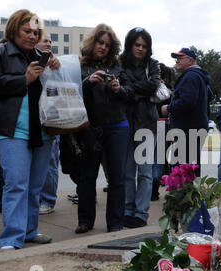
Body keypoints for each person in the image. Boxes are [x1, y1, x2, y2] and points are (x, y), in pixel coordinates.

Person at [0, 9, 61, 252]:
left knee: (35, 186)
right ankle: (11, 238)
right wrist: (23, 79)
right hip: (11, 129)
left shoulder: (42, 55)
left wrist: (56, 68)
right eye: (27, 31)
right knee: (16, 184)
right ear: (14, 29)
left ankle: (29, 230)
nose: (32, 36)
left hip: (42, 131)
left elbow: (55, 88)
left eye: (36, 32)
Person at [75, 23, 133, 234]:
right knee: (87, 176)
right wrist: (88, 81)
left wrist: (118, 88)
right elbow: (71, 94)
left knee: (117, 177)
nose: (103, 47)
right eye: (100, 42)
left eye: (107, 45)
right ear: (93, 42)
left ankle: (115, 223)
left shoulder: (118, 67)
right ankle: (85, 221)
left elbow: (130, 94)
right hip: (90, 126)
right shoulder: (80, 66)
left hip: (117, 125)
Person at [121, 27, 161, 228]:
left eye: (144, 46)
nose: (140, 49)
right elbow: (122, 90)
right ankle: (128, 210)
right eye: (137, 45)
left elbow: (153, 86)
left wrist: (131, 89)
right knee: (128, 172)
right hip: (126, 122)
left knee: (145, 172)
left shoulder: (152, 64)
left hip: (147, 124)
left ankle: (141, 212)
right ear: (130, 45)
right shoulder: (120, 62)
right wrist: (138, 89)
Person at [161, 48, 212, 177]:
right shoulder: (199, 76)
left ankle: (188, 196)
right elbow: (209, 96)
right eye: (176, 58)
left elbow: (187, 101)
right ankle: (192, 196)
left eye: (180, 58)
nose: (177, 61)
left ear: (190, 60)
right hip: (194, 128)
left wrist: (169, 108)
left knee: (185, 170)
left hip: (187, 129)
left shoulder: (191, 76)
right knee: (191, 168)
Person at [36, 34, 59, 215]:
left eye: (50, 41)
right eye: (45, 40)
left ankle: (48, 200)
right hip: (33, 118)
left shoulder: (55, 64)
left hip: (51, 118)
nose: (48, 43)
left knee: (50, 161)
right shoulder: (31, 62)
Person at [151, 63, 174, 201]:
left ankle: (150, 189)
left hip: (150, 123)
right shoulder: (169, 90)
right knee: (159, 159)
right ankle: (154, 188)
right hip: (164, 125)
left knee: (148, 158)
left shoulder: (152, 86)